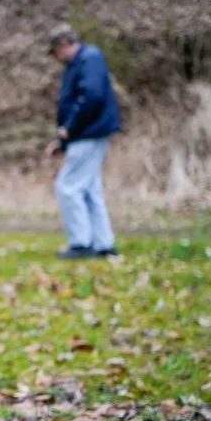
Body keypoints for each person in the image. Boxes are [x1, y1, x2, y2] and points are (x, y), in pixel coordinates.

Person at [44, 24, 121, 259]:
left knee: (68, 186)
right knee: (88, 188)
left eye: (55, 51)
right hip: (87, 133)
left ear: (63, 44)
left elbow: (92, 97)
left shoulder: (89, 59)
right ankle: (103, 244)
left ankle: (81, 243)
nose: (56, 57)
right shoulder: (81, 62)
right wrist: (63, 141)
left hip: (89, 132)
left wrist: (70, 128)